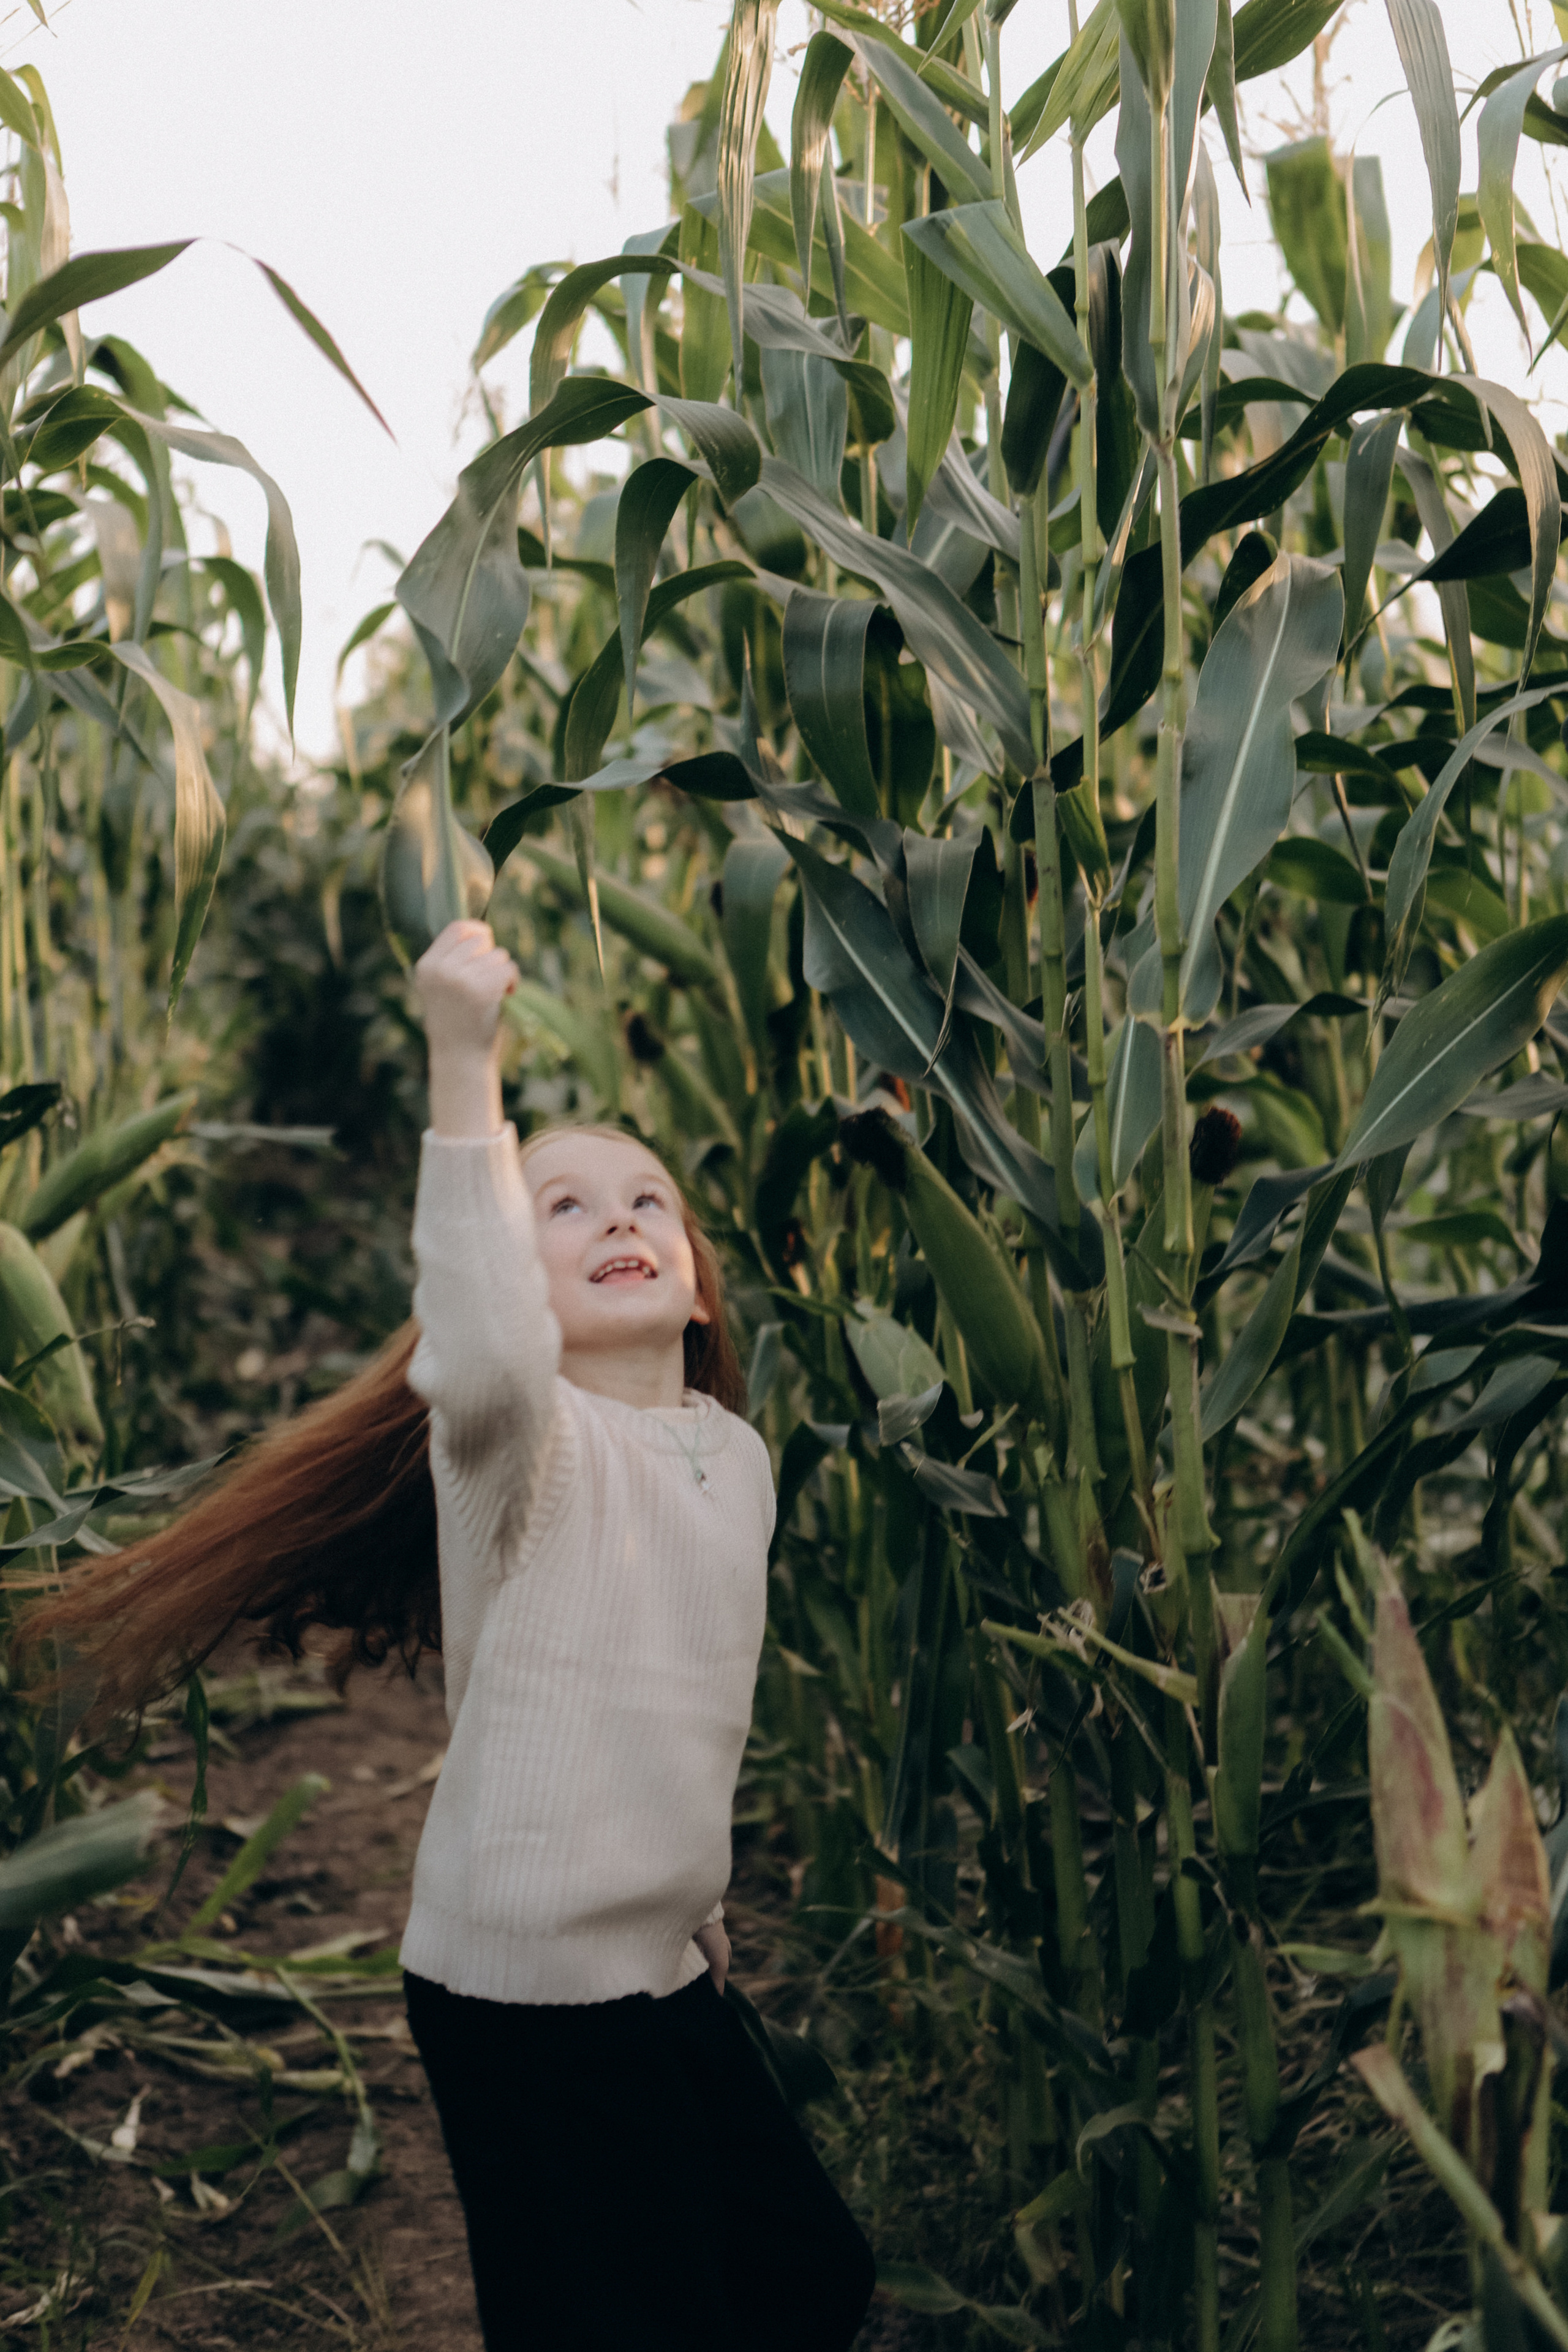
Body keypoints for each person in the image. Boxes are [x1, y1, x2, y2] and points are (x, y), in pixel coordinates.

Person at [17, 916, 876, 2351]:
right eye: (564, 1208)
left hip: (654, 1959)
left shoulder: (735, 1458)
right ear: (520, 1303)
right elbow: (473, 1336)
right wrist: (462, 1058)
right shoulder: (517, 1447)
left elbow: (672, 1701)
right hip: (527, 1991)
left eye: (649, 1201)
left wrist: (690, 1897)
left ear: (703, 1280)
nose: (618, 1220)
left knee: (804, 2275)